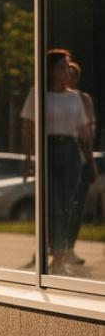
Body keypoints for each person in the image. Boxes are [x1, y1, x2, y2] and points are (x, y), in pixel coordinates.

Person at [21, 49, 95, 274]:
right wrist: (27, 158)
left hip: (70, 152)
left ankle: (59, 260)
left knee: (65, 207)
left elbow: (83, 132)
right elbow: (27, 129)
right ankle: (51, 253)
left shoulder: (74, 97)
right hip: (47, 150)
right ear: (51, 70)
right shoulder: (37, 95)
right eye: (62, 67)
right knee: (50, 205)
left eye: (68, 66)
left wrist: (90, 162)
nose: (67, 71)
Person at [66, 62, 96, 266]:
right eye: (68, 73)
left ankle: (69, 248)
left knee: (77, 207)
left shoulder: (83, 99)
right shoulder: (54, 98)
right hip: (65, 157)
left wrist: (91, 160)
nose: (71, 78)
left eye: (75, 75)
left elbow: (88, 129)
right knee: (60, 205)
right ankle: (53, 247)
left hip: (82, 159)